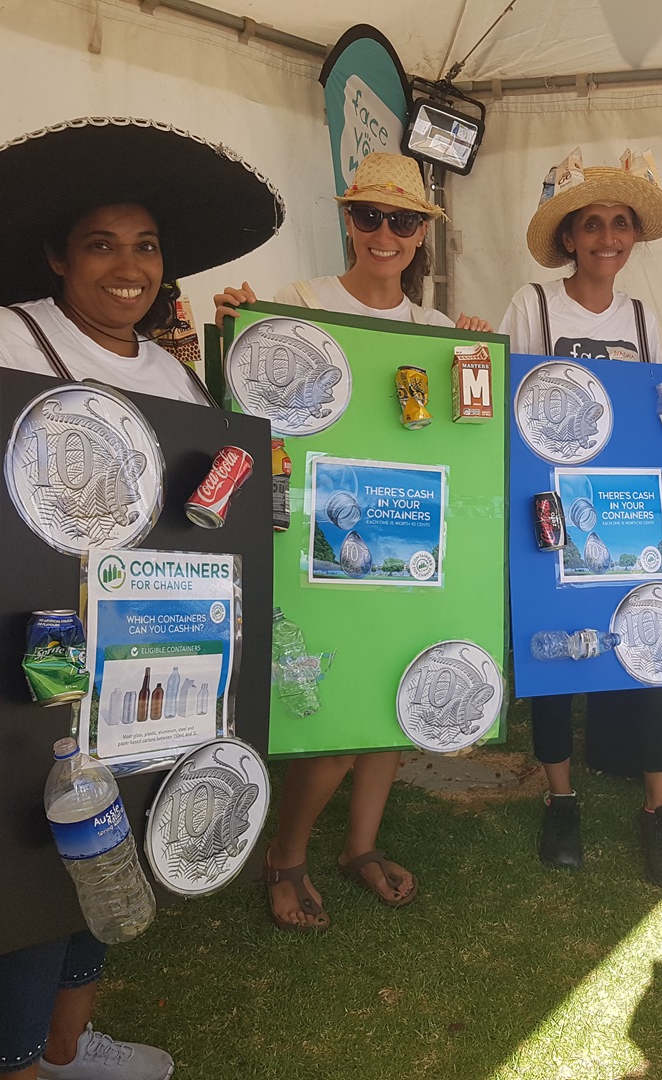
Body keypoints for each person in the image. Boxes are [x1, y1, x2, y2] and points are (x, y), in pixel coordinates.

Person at [0, 116, 285, 1077]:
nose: (128, 266)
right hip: (18, 677)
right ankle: (14, 1063)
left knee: (113, 859)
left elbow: (187, 523)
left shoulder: (171, 371)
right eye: (102, 242)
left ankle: (66, 1051)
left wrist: (250, 503)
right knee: (35, 885)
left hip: (142, 677)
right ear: (57, 255)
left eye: (145, 245)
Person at [214, 151, 490, 931]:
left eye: (401, 220)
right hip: (315, 537)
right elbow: (257, 406)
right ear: (347, 219)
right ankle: (286, 856)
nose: (384, 233)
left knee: (394, 705)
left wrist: (475, 353)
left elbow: (459, 442)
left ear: (420, 233)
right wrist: (242, 325)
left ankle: (358, 848)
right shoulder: (295, 306)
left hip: (407, 540)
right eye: (369, 215)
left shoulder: (438, 332)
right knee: (332, 719)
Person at [498, 151, 662, 887]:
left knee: (651, 658)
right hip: (551, 514)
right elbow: (512, 419)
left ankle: (658, 809)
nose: (607, 236)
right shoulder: (533, 306)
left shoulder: (643, 318)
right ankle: (562, 799)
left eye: (620, 223)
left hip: (630, 518)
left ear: (631, 237)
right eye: (592, 224)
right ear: (570, 237)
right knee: (552, 664)